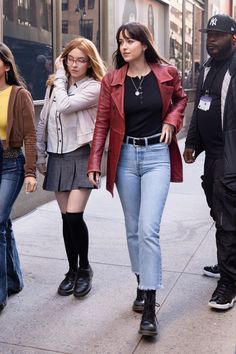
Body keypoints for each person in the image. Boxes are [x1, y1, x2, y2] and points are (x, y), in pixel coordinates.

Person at [88, 22, 187, 336]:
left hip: (157, 156)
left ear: (145, 44)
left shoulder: (167, 73)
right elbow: (102, 122)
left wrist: (172, 120)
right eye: (120, 42)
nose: (124, 47)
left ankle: (150, 306)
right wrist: (95, 161)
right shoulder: (112, 80)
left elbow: (180, 101)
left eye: (130, 41)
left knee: (148, 229)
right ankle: (141, 285)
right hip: (126, 159)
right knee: (133, 230)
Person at [36, 37, 106, 298]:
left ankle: (85, 268)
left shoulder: (95, 87)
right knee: (66, 219)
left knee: (75, 216)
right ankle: (71, 270)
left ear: (89, 63)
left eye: (81, 60)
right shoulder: (55, 85)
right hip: (57, 155)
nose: (74, 64)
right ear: (64, 59)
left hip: (80, 155)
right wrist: (41, 156)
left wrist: (60, 76)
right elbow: (44, 119)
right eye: (70, 59)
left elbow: (65, 107)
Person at [183, 14, 236, 310]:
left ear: (233, 38)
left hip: (231, 156)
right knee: (219, 212)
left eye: (217, 35)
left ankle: (228, 283)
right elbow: (201, 106)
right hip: (213, 157)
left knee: (227, 217)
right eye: (208, 35)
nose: (211, 40)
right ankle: (227, 263)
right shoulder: (207, 68)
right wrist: (192, 143)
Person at [0, 42, 37, 312]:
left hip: (11, 164)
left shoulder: (19, 94)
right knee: (3, 225)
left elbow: (30, 136)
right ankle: (14, 281)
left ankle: (0, 293)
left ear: (7, 66)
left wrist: (30, 172)